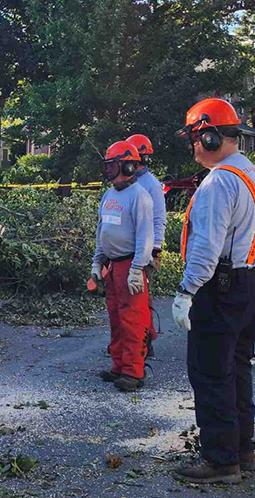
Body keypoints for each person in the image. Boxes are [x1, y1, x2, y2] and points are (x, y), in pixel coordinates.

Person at [171, 98, 255, 485]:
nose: (194, 146)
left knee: (211, 372)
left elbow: (206, 248)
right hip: (253, 280)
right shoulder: (249, 173)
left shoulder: (219, 183)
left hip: (224, 287)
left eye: (196, 138)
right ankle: (242, 447)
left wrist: (186, 290)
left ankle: (220, 459)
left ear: (210, 135)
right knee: (237, 368)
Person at [90, 141, 154, 392]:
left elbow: (145, 237)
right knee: (116, 318)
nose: (108, 171)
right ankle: (119, 365)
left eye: (112, 165)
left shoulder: (140, 196)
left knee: (133, 320)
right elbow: (102, 230)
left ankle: (133, 371)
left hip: (130, 265)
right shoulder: (110, 195)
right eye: (107, 166)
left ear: (127, 165)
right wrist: (97, 262)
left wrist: (138, 269)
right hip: (113, 265)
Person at [125, 133, 167, 358]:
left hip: (145, 249)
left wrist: (156, 249)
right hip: (129, 249)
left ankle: (144, 342)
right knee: (129, 299)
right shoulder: (129, 181)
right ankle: (130, 341)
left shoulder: (149, 184)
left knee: (141, 299)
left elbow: (159, 218)